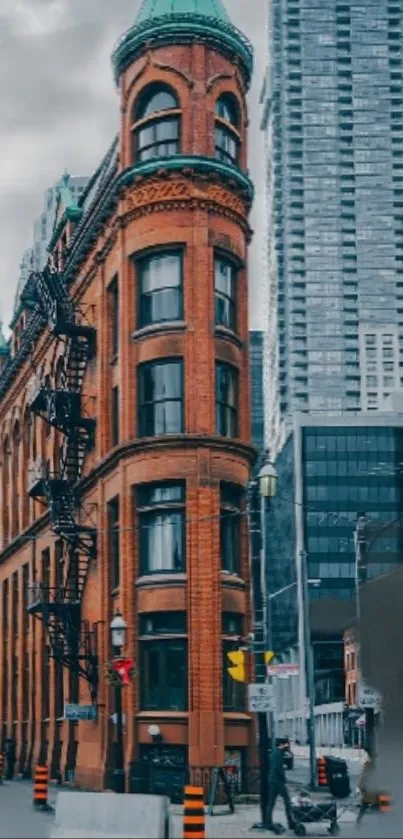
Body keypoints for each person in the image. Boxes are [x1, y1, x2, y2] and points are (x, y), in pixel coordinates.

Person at [267, 740, 295, 831]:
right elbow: (279, 768)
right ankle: (290, 822)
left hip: (272, 780)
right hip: (278, 781)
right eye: (286, 745)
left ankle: (268, 822)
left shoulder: (274, 752)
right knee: (287, 800)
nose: (288, 746)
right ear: (282, 744)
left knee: (271, 802)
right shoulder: (278, 754)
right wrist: (284, 779)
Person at [356, 748, 379, 827]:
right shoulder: (370, 765)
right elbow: (363, 776)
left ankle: (358, 822)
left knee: (365, 806)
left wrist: (361, 786)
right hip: (370, 789)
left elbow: (363, 777)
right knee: (370, 805)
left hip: (370, 789)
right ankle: (358, 822)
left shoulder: (369, 765)